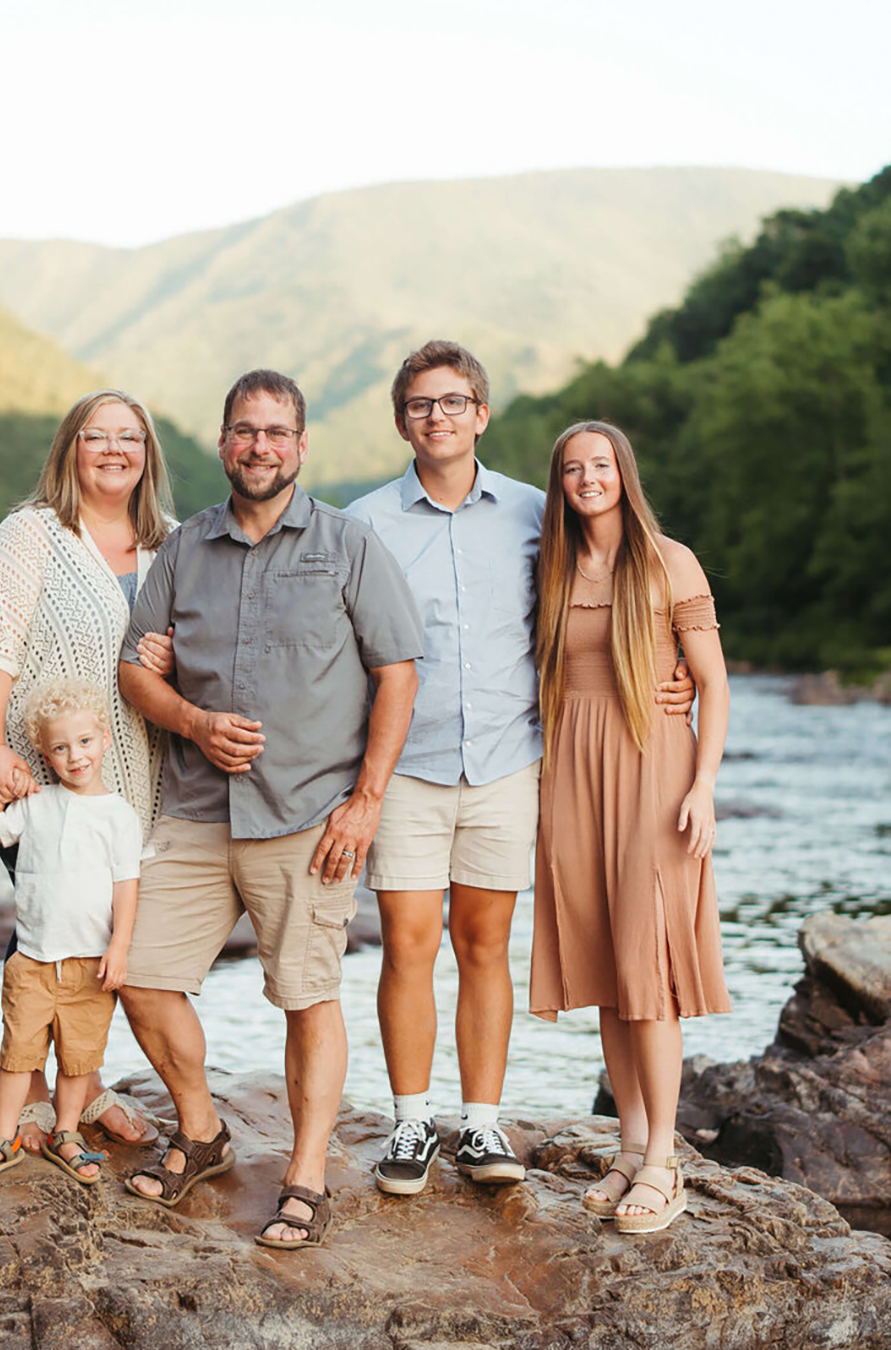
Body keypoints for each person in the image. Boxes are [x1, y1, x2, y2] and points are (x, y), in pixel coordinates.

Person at [345, 341, 696, 1195]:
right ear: (402, 421)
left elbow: (616, 599)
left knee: (485, 945)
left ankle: (482, 1126)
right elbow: (331, 645)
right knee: (407, 946)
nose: (439, 416)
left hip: (509, 764)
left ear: (482, 413)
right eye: (423, 405)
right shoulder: (362, 523)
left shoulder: (540, 514)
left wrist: (670, 678)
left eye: (455, 401)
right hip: (407, 769)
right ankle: (410, 1125)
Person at [116, 369, 423, 1249]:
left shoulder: (348, 545)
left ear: (300, 445)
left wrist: (366, 802)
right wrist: (193, 722)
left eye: (277, 432)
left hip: (309, 815)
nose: (260, 446)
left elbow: (397, 671)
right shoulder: (183, 550)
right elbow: (137, 670)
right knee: (136, 971)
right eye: (245, 431)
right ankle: (203, 1131)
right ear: (223, 443)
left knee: (307, 994)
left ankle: (307, 1175)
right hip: (197, 808)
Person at [0, 388, 174, 1150]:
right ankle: (40, 1095)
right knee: (47, 921)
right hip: (32, 771)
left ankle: (77, 1083)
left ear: (149, 454)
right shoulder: (33, 533)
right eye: (96, 435)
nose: (114, 450)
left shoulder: (167, 542)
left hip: (124, 778)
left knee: (94, 928)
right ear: (70, 448)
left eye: (130, 438)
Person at [529, 419, 730, 1234]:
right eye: (573, 468)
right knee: (610, 966)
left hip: (654, 766)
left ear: (624, 473)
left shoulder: (668, 558)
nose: (588, 478)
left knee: (649, 967)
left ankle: (665, 1164)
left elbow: (711, 684)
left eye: (601, 464)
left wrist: (706, 785)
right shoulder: (551, 565)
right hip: (571, 773)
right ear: (561, 483)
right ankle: (629, 1143)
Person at [0, 679, 141, 1186]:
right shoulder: (36, 804)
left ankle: (67, 1134)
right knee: (18, 1055)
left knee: (78, 1060)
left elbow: (127, 887)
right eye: (60, 748)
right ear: (46, 754)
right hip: (33, 962)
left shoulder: (119, 817)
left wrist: (119, 947)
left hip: (88, 962)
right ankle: (1, 1138)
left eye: (84, 742)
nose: (75, 756)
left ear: (104, 739)